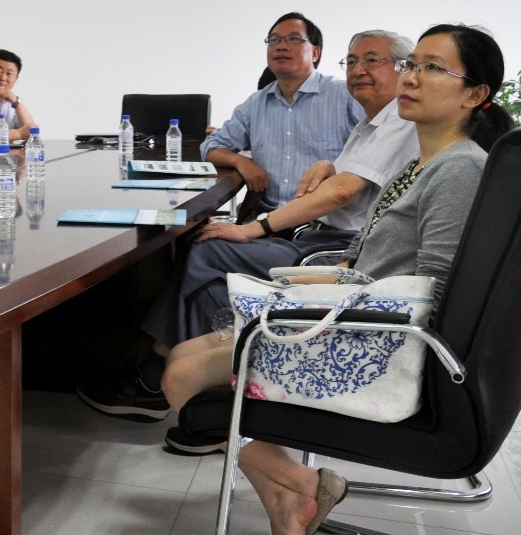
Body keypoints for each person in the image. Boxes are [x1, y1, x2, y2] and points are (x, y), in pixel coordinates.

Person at [161, 23, 513, 535]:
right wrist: (300, 291)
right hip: (353, 316)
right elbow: (362, 257)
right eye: (412, 64)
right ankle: (288, 504)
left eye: (433, 68)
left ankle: (301, 484)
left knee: (180, 377)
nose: (411, 77)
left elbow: (436, 294)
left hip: (374, 342)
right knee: (181, 355)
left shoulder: (457, 170)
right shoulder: (421, 163)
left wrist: (321, 307)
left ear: (475, 95)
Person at [81, 31, 421, 427]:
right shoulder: (365, 122)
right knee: (206, 275)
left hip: (335, 249)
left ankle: (158, 380)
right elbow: (216, 147)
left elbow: (343, 192)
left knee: (207, 250)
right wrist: (320, 165)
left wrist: (252, 230)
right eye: (353, 62)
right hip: (310, 232)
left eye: (372, 60)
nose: (359, 71)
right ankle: (203, 399)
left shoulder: (397, 119)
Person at [202, 12, 363, 213]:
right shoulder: (256, 103)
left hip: (325, 219)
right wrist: (240, 161)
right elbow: (211, 146)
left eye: (294, 39)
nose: (281, 46)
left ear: (315, 53)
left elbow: (376, 153)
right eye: (274, 40)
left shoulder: (345, 96)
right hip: (266, 217)